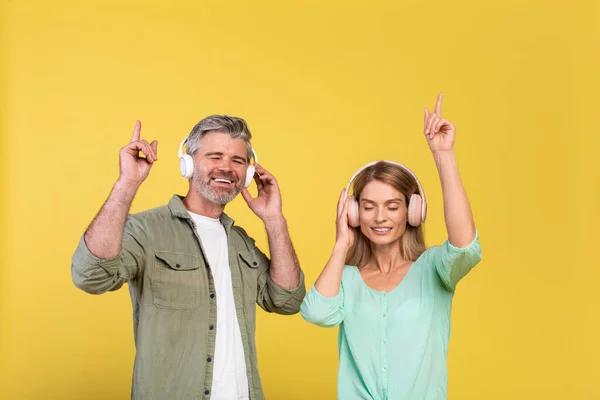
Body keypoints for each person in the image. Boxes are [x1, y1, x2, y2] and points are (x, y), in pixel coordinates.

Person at [71, 115, 306, 400]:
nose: (226, 168)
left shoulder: (241, 242)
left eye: (238, 160)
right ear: (189, 163)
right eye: (215, 156)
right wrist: (127, 183)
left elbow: (287, 300)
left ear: (247, 172)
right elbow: (89, 275)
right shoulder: (147, 230)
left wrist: (274, 220)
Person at [300, 94, 482, 399]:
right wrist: (342, 242)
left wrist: (443, 155)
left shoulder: (434, 268)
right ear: (355, 213)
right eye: (368, 207)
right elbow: (317, 313)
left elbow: (465, 247)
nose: (380, 217)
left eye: (392, 206)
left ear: (413, 211)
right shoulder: (346, 278)